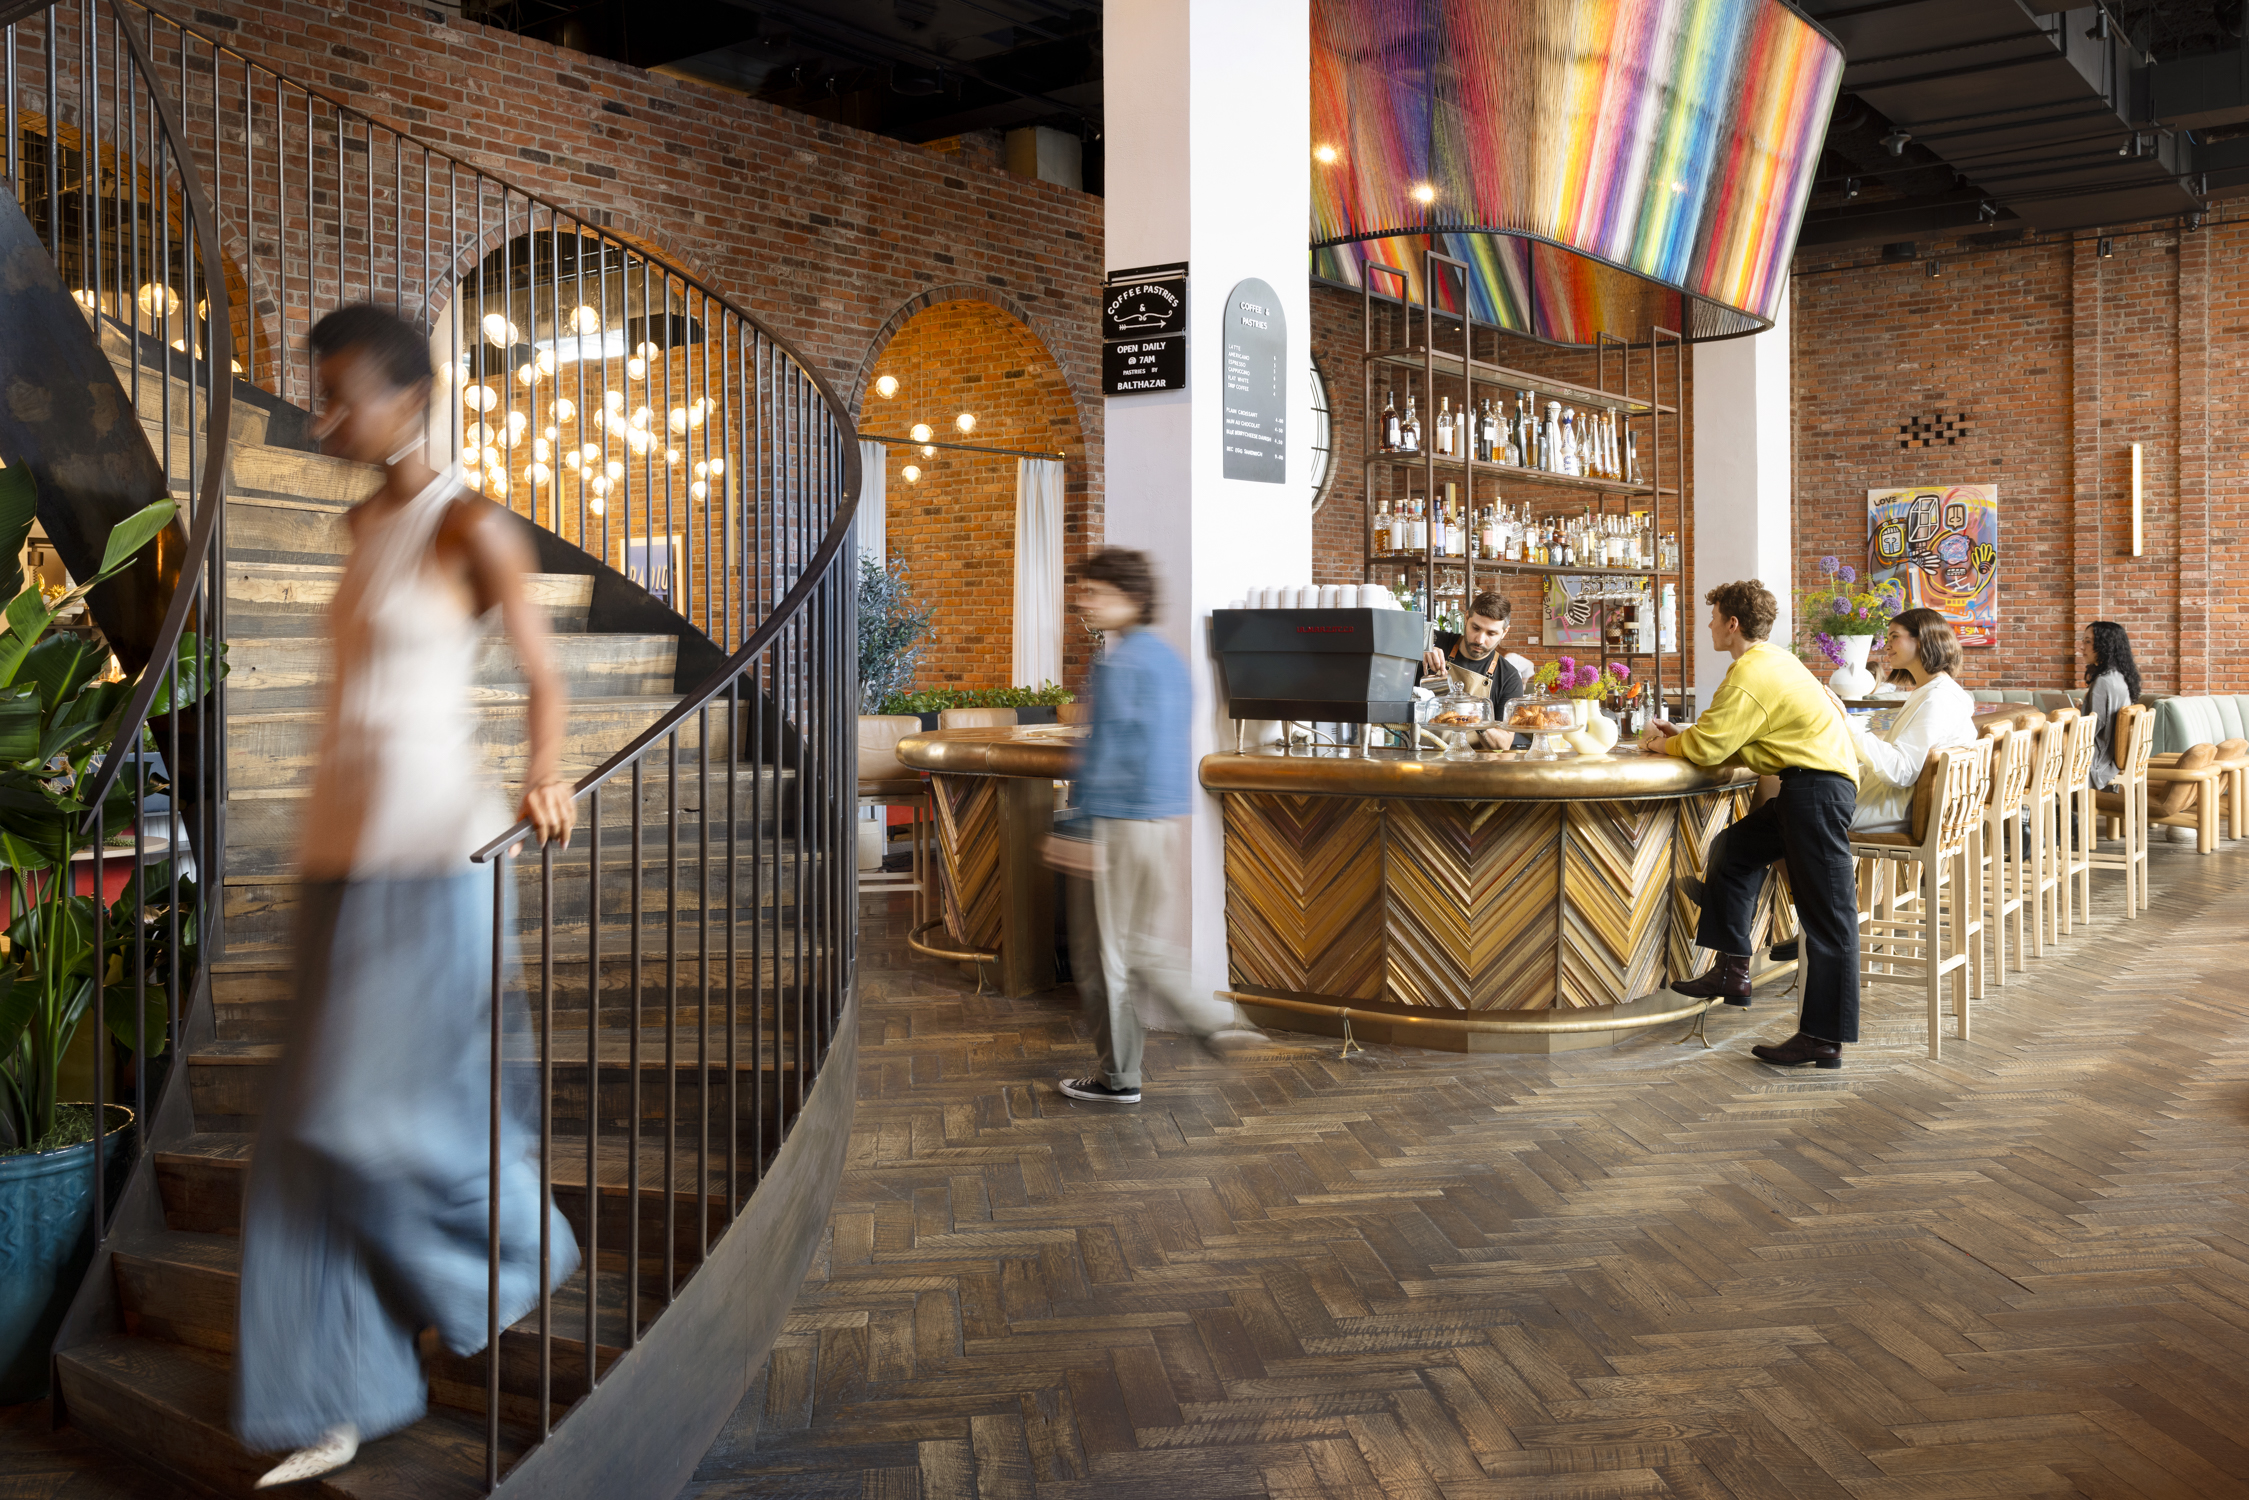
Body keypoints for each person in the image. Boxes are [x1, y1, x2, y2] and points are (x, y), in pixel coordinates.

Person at [233, 305, 580, 1487]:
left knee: (360, 1119)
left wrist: (545, 771)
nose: (322, 419)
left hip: (433, 860)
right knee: (297, 1144)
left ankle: (521, 1252)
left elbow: (542, 671)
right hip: (335, 858)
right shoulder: (358, 524)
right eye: (319, 395)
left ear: (411, 399)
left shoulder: (467, 524)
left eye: (343, 397)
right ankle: (337, 1394)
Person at [1054, 548, 1252, 1104]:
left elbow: (1109, 753)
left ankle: (1125, 1073)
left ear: (1133, 598)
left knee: (1103, 961)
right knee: (1136, 946)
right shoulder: (1169, 661)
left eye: (1097, 592)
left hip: (1115, 824)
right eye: (1085, 590)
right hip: (1160, 820)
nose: (1085, 601)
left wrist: (1083, 828)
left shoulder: (1117, 665)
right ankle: (1213, 1024)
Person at [1641, 580, 1861, 1069]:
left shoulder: (1750, 673)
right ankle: (1732, 970)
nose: (1710, 625)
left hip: (1816, 792)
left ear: (1732, 623)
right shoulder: (1774, 661)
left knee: (1829, 920)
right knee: (1735, 849)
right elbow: (1730, 737)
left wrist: (1661, 744)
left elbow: (1706, 749)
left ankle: (1823, 1039)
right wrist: (1687, 735)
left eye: (1714, 617)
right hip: (1808, 788)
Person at [1840, 608, 1976, 833]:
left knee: (1789, 812)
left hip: (1886, 812)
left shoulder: (1937, 698)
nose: (1886, 646)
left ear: (1922, 639)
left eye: (1894, 637)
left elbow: (1901, 771)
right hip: (1891, 805)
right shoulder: (1937, 691)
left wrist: (1845, 720)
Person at [1420, 590, 1527, 749]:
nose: (1480, 640)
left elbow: (1503, 743)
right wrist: (1421, 647)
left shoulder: (1508, 678)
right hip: (1421, 756)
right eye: (1475, 628)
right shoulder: (1436, 641)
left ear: (1504, 632)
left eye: (1491, 633)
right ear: (1466, 618)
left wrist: (1479, 720)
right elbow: (1392, 631)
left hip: (1473, 761)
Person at [2083, 619, 2140, 791]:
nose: (2082, 647)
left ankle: (2038, 805)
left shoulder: (2103, 682)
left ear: (2104, 645)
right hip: (2111, 758)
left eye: (2088, 642)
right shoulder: (2120, 677)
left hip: (2097, 762)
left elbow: (2090, 729)